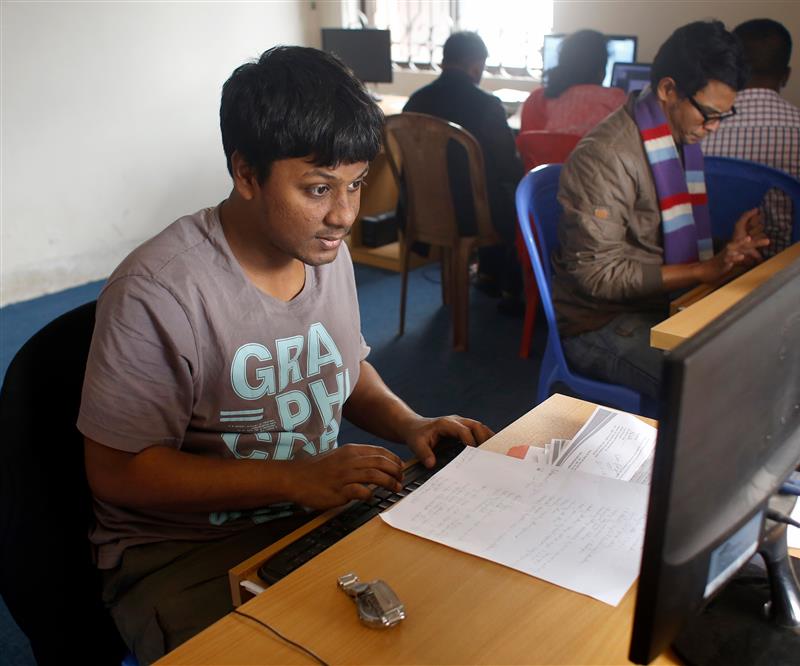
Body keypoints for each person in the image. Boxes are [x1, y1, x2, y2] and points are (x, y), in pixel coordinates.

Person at [78, 46, 493, 664]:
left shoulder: (323, 251)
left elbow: (342, 367)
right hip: (188, 552)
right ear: (246, 174)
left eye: (355, 186)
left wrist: (411, 424)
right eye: (319, 188)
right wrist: (292, 478)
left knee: (450, 615)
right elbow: (115, 472)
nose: (344, 215)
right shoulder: (158, 293)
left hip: (312, 512)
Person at [551, 20, 769, 400]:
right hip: (600, 323)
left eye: (723, 115)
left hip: (659, 305)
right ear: (669, 89)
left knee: (761, 356)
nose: (714, 127)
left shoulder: (673, 138)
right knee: (722, 392)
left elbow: (662, 236)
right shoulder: (607, 156)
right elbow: (596, 275)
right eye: (708, 113)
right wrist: (704, 269)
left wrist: (726, 249)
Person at [703, 18, 800, 255]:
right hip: (791, 274)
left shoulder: (698, 129)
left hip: (711, 274)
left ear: (731, 69)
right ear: (786, 75)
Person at [403, 31, 524, 308]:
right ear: (476, 65)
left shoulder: (415, 102)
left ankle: (485, 274)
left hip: (421, 212)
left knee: (490, 187)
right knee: (511, 190)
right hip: (471, 218)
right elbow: (508, 165)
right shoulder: (487, 105)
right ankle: (504, 283)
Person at [521, 29, 626, 136]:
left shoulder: (536, 100)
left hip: (549, 153)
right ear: (602, 71)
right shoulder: (617, 101)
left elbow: (528, 146)